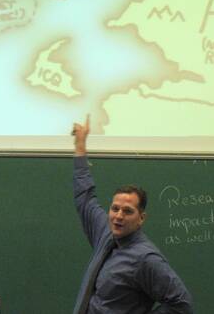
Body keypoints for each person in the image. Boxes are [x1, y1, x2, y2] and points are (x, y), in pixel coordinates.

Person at [71, 116, 193, 314]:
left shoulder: (145, 258)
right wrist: (80, 147)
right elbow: (85, 198)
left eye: (127, 211)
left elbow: (181, 304)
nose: (118, 216)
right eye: (115, 208)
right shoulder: (106, 233)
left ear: (141, 218)